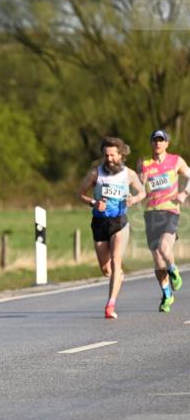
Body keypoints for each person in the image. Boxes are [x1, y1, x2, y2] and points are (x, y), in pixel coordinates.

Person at [77, 137, 146, 318]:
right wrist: (93, 203)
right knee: (106, 269)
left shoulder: (129, 174)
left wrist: (133, 199)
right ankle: (117, 276)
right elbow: (80, 193)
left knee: (116, 261)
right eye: (106, 155)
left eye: (112, 155)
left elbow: (142, 192)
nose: (109, 159)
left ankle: (110, 305)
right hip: (99, 222)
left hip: (119, 221)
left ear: (120, 155)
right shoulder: (96, 173)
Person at [138, 129, 190, 312]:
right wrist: (141, 180)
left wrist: (184, 193)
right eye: (155, 140)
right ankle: (167, 294)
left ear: (167, 143)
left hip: (170, 211)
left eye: (161, 140)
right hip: (151, 214)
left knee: (164, 248)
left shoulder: (176, 161)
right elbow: (139, 187)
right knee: (157, 259)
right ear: (151, 143)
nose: (158, 143)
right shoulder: (143, 163)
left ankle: (173, 270)